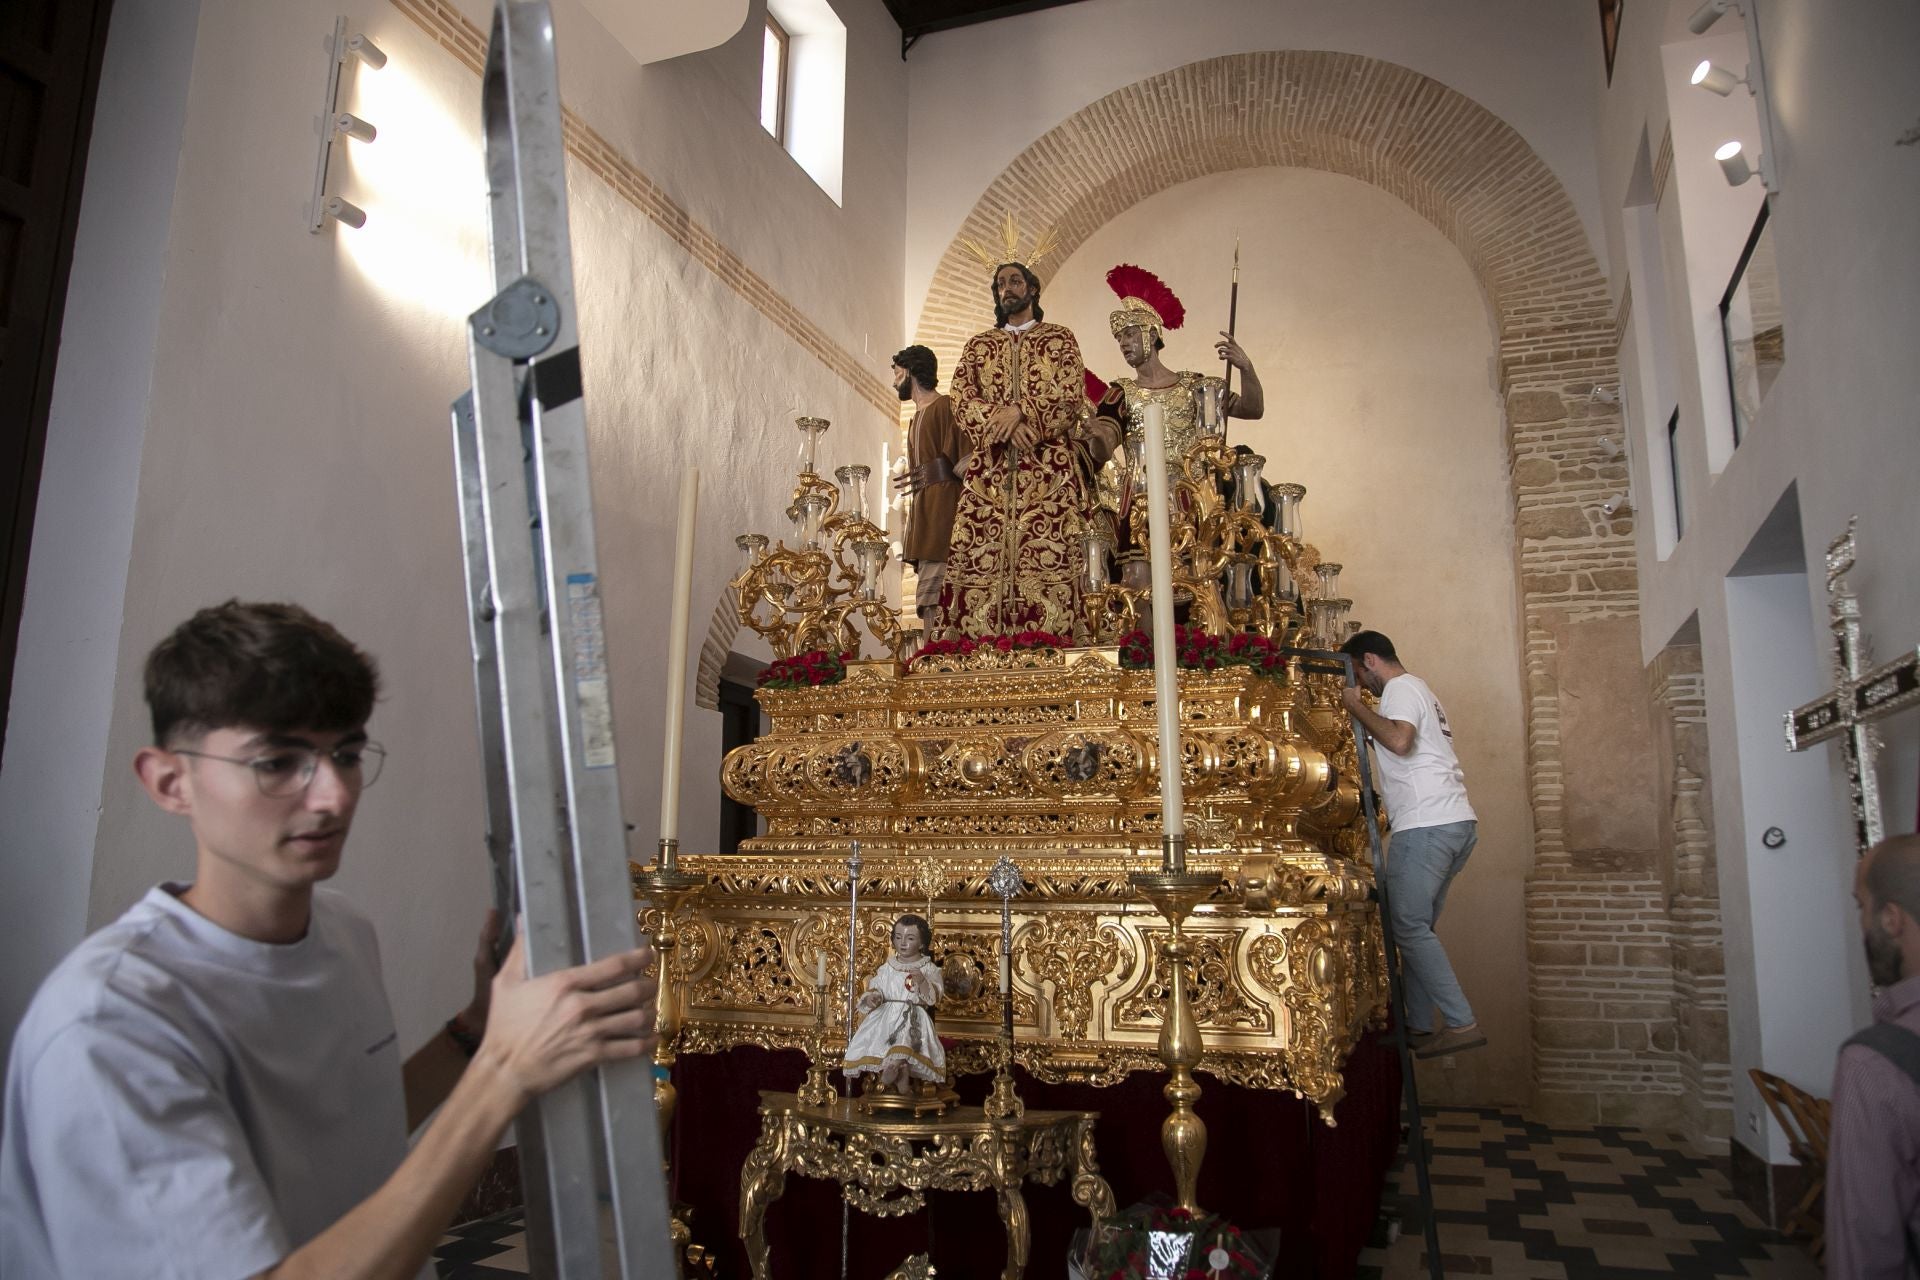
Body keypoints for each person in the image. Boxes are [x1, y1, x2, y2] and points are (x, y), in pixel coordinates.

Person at [0, 601, 660, 1279]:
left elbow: (344, 1134)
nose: (334, 796)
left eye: (345, 754)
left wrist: (473, 1031)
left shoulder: (343, 930)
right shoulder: (111, 1024)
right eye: (278, 762)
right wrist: (503, 1072)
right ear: (171, 782)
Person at [942, 259, 1113, 639]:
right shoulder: (979, 346)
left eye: (1015, 281)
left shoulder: (1060, 339)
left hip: (1049, 472)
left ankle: (1057, 640)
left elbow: (1071, 395)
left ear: (1033, 289)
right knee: (979, 557)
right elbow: (960, 398)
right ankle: (980, 646)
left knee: (1056, 553)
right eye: (1001, 283)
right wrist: (1002, 423)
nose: (1007, 289)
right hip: (991, 474)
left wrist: (1023, 414)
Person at [1337, 629, 1485, 1059]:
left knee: (1408, 927)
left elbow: (1400, 741)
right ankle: (1420, 1025)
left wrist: (1356, 706)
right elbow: (1399, 742)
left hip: (1427, 825)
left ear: (1370, 659)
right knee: (1419, 930)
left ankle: (1461, 1023)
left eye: (1361, 676)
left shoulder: (1400, 688)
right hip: (1454, 822)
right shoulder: (1419, 690)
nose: (1362, 685)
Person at [1089, 263, 1265, 556]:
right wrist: (1095, 434)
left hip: (1194, 503)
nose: (1123, 343)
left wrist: (1246, 368)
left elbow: (1252, 408)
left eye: (1130, 334)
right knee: (1139, 588)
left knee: (1202, 588)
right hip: (1141, 510)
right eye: (1119, 337)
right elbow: (1103, 447)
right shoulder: (1119, 394)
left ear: (1151, 333)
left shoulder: (1195, 388)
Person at [1827, 833, 1920, 1278]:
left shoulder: (1876, 1065)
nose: (1861, 925)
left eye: (1861, 908)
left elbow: (1866, 1249)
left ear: (1890, 919)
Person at [890, 345, 965, 629]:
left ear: (910, 371)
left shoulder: (945, 406)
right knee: (926, 595)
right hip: (923, 511)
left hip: (943, 510)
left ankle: (941, 650)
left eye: (898, 373)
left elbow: (966, 462)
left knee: (941, 591)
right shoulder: (915, 417)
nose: (895, 381)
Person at [843, 914, 945, 1095]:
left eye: (910, 938)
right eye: (898, 937)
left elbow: (933, 998)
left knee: (905, 1039)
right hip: (886, 1017)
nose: (903, 943)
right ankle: (902, 1077)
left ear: (922, 944)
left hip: (914, 1017)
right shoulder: (887, 968)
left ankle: (894, 1068)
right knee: (887, 1042)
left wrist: (921, 981)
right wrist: (872, 997)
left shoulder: (928, 968)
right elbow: (876, 988)